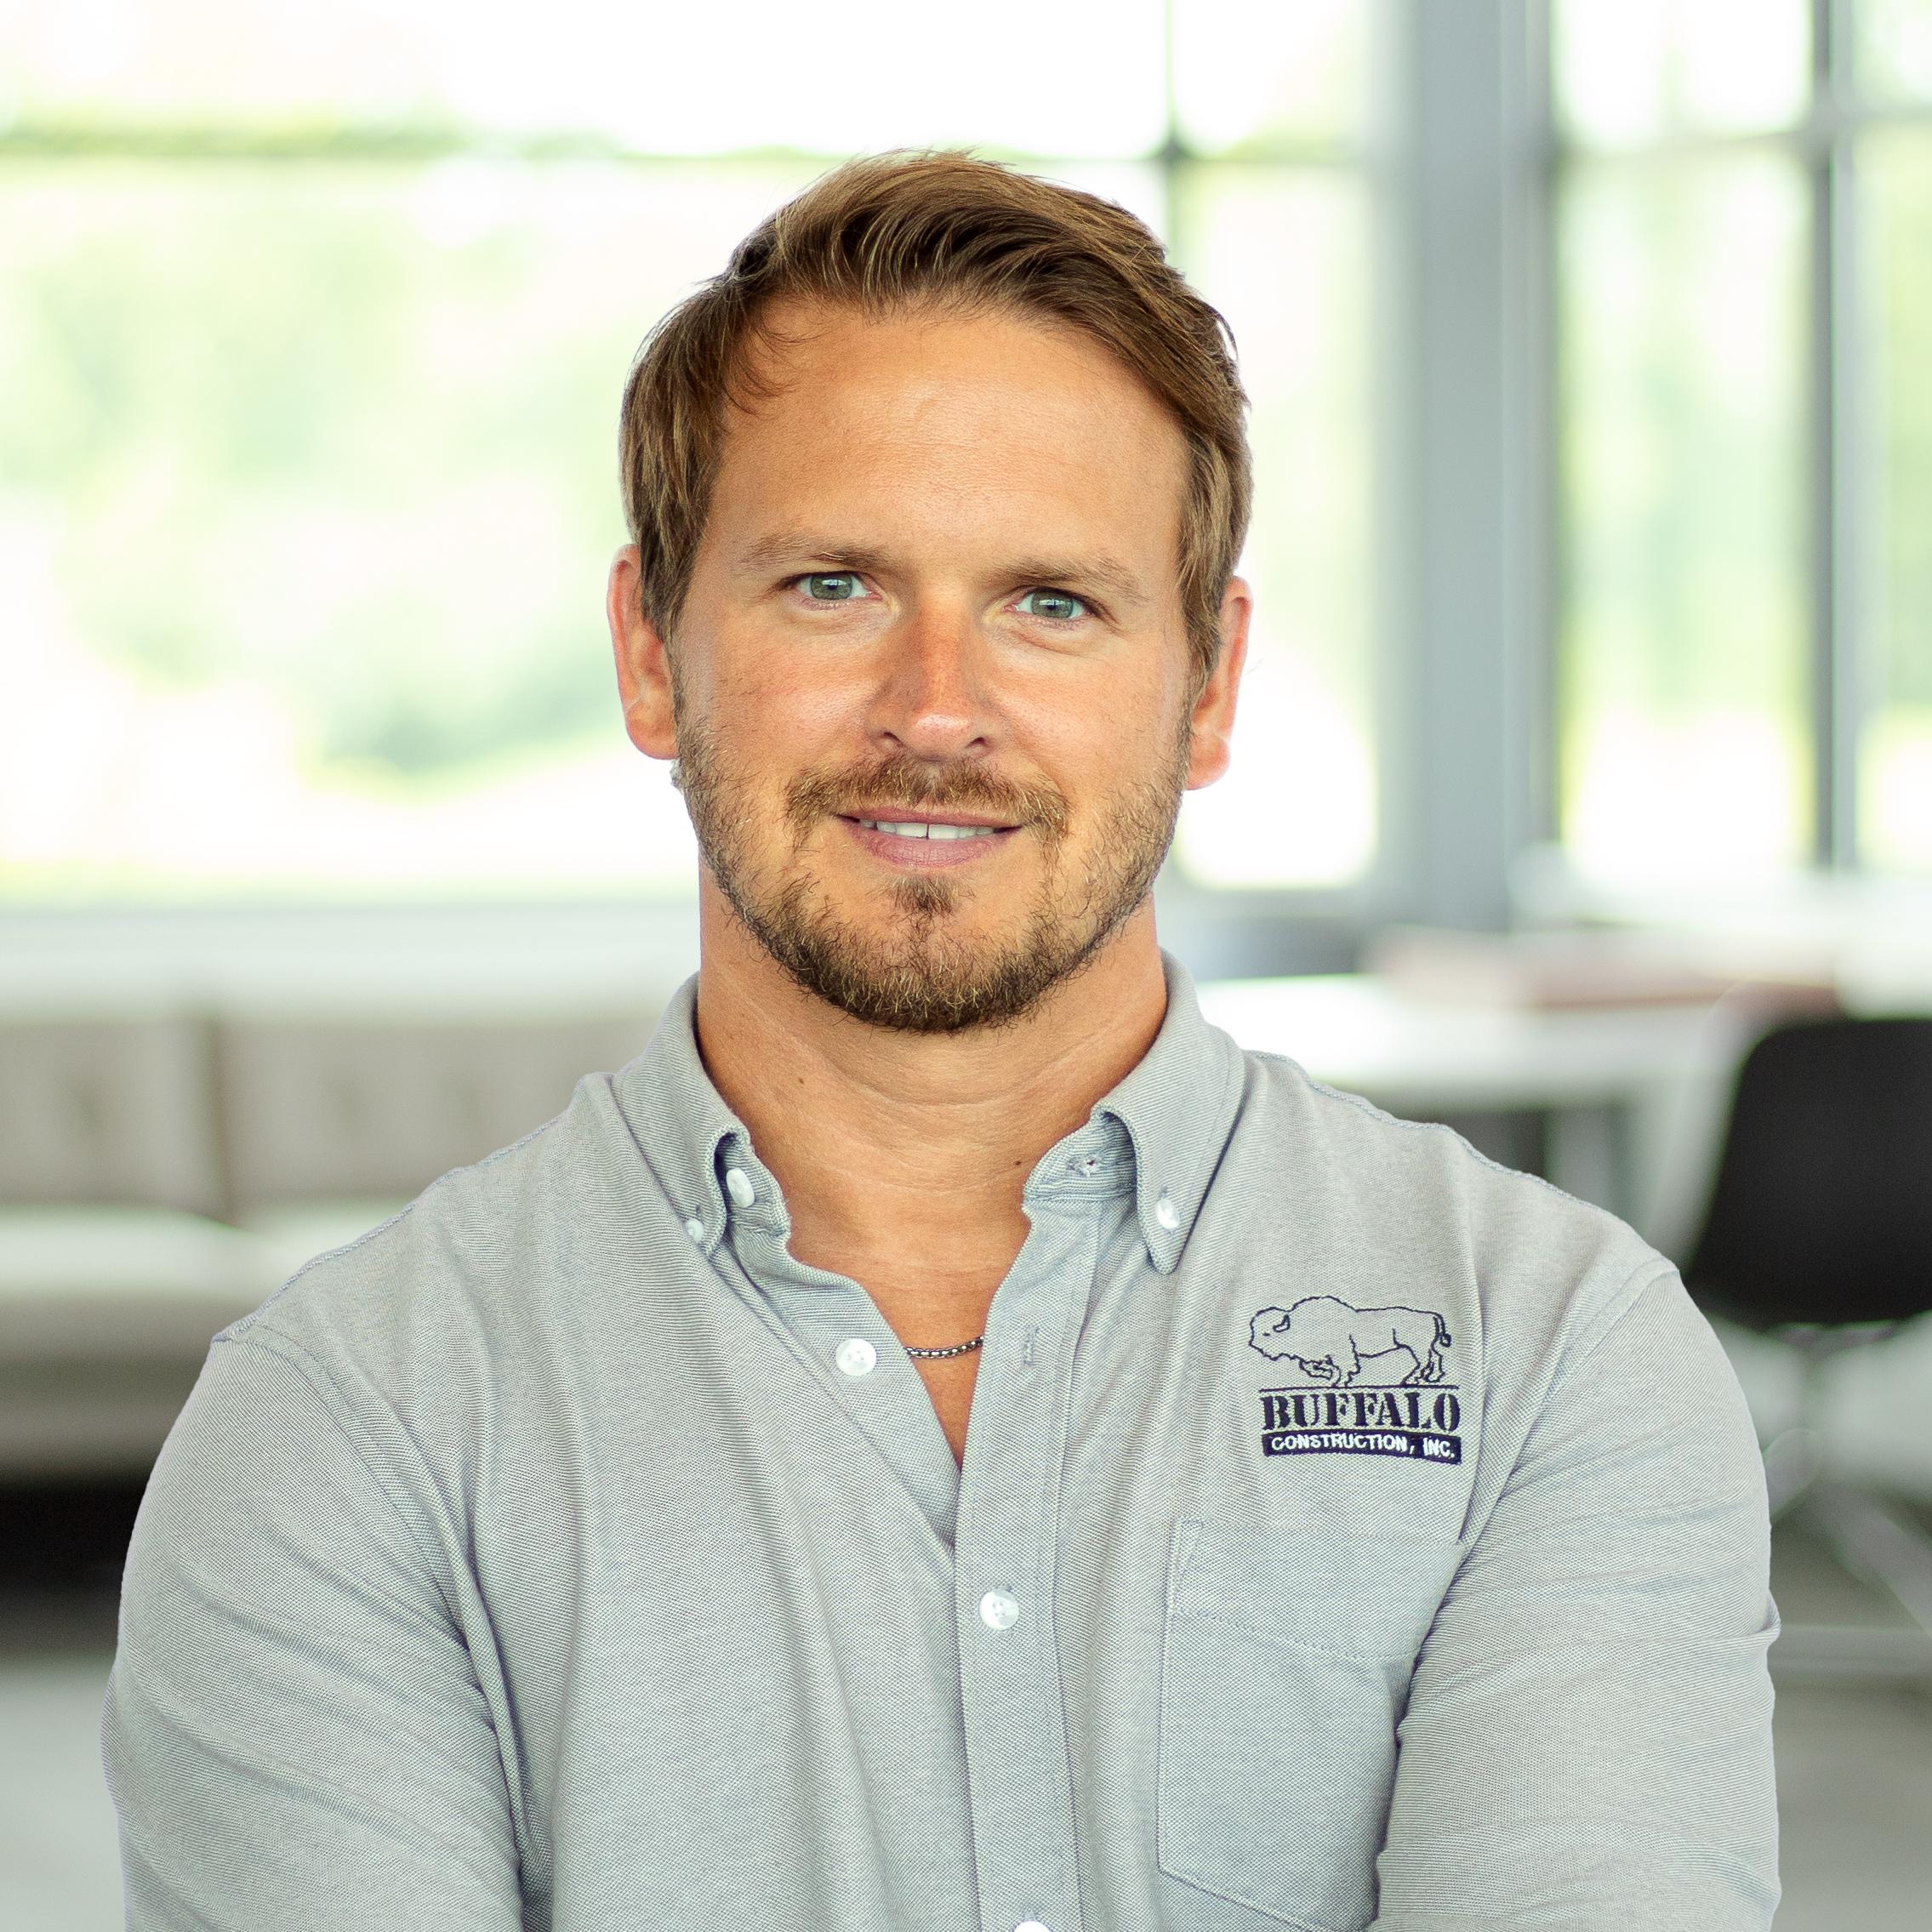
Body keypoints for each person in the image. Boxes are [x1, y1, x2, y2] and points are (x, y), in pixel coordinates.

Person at [102, 151, 1781, 1931]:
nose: (933, 710)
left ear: (1204, 686)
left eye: (1049, 600)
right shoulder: (347, 1429)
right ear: (650, 652)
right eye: (830, 585)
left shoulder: (1546, 1354)